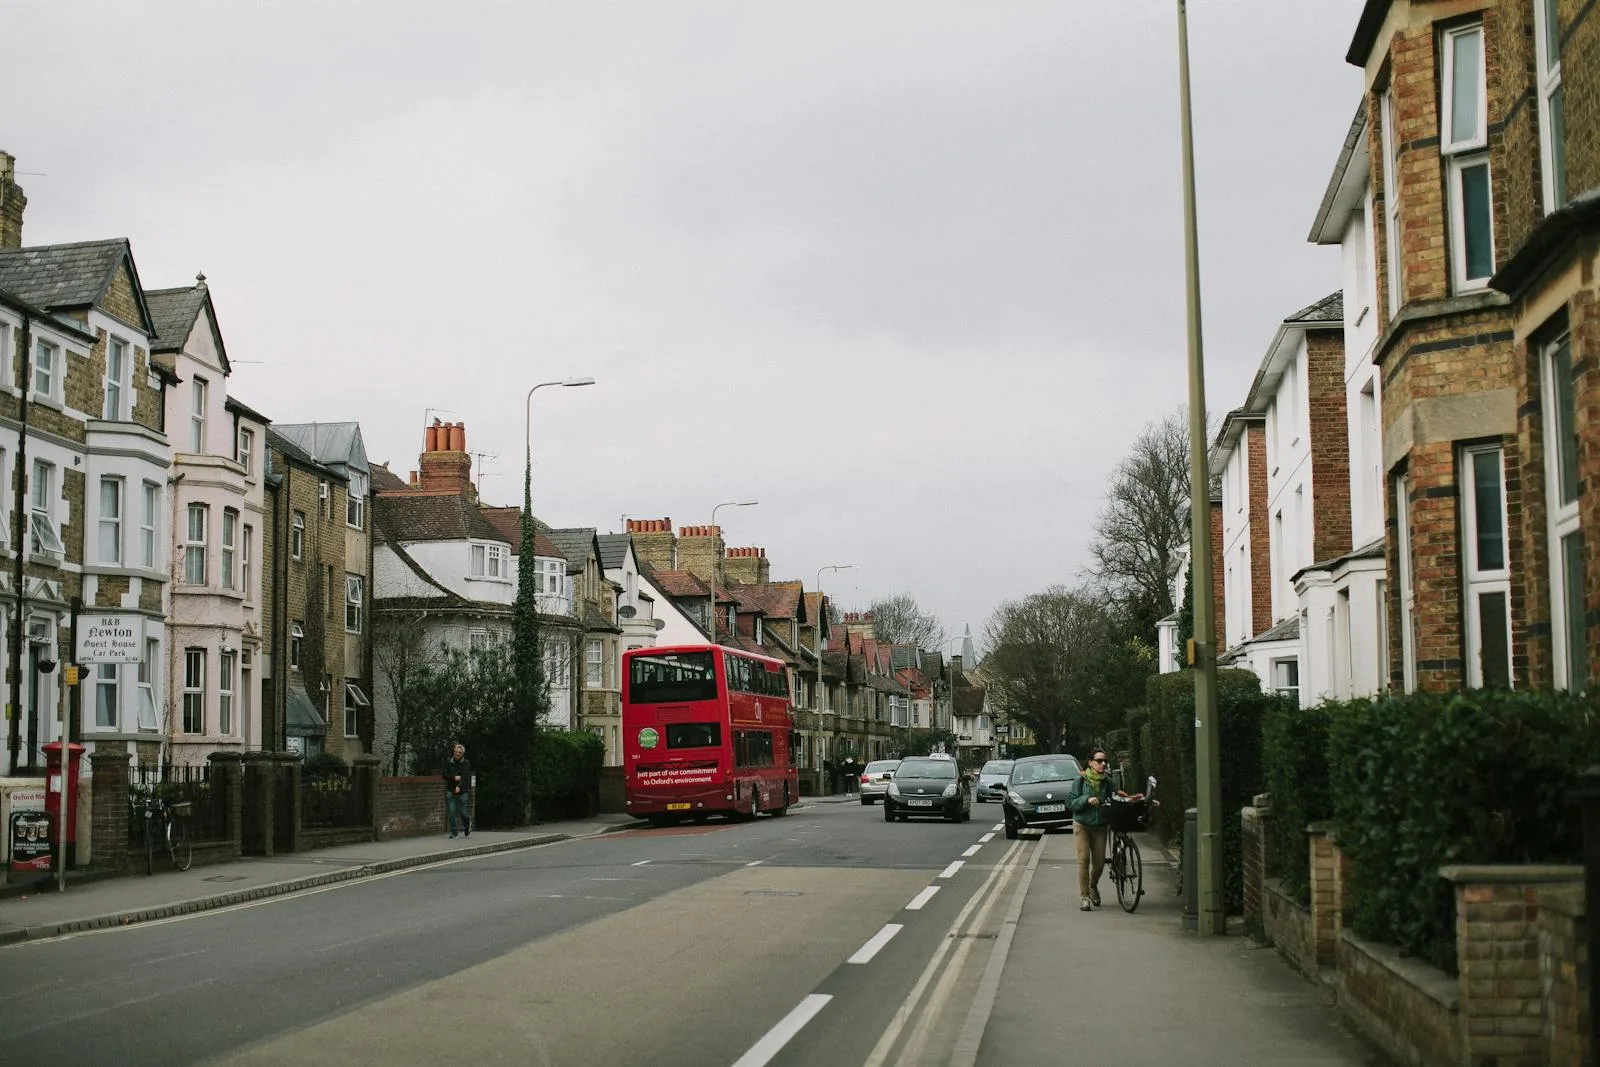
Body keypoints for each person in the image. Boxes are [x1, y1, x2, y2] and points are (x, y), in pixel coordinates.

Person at [1067, 749, 1114, 911]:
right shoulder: (1080, 781)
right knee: (1083, 860)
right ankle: (1084, 897)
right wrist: (1086, 799)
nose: (1103, 764)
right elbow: (1070, 803)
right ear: (1090, 763)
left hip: (1100, 826)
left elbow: (1116, 797)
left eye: (1105, 761)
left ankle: (1093, 886)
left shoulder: (1108, 782)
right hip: (1082, 825)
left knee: (1100, 864)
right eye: (1099, 761)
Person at [442, 742, 472, 839]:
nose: (457, 754)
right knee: (452, 812)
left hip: (462, 791)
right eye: (455, 752)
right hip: (451, 790)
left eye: (459, 752)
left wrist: (459, 785)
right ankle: (454, 832)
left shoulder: (466, 763)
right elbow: (444, 774)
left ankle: (467, 826)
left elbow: (465, 776)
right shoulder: (449, 761)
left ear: (462, 753)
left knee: (463, 812)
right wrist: (453, 777)